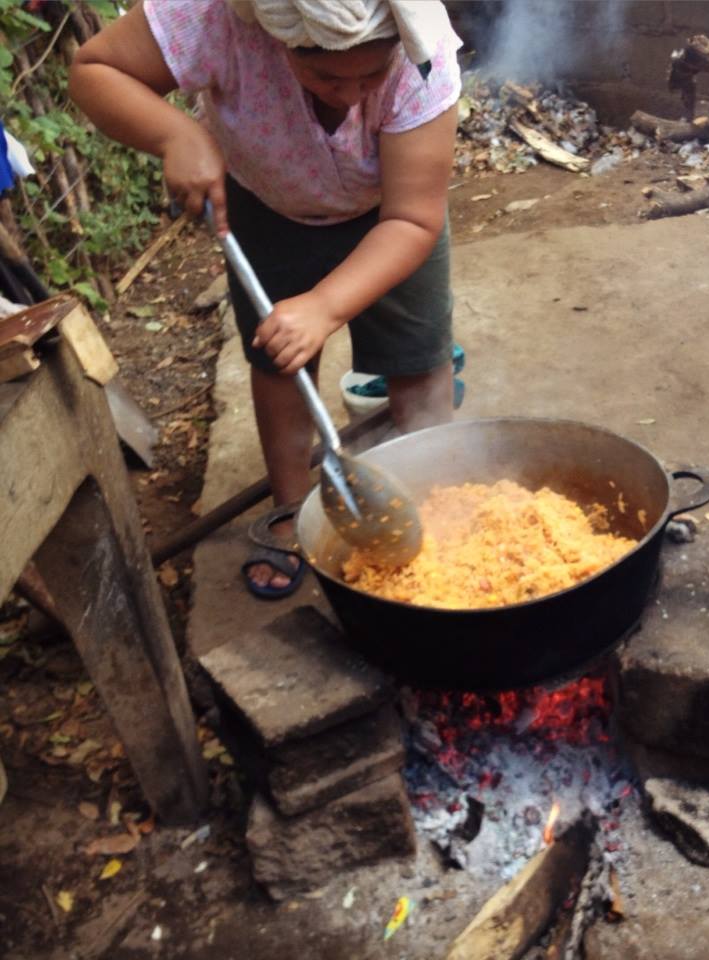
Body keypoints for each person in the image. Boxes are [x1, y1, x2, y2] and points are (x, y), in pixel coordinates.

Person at [69, 0, 461, 598]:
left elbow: (411, 218)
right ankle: (291, 515)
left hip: (392, 216)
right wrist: (178, 132)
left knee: (419, 363)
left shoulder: (420, 56)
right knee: (281, 357)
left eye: (370, 76)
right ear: (279, 43)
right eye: (327, 76)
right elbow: (94, 70)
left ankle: (435, 506)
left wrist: (326, 306)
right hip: (270, 203)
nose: (351, 94)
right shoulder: (218, 16)